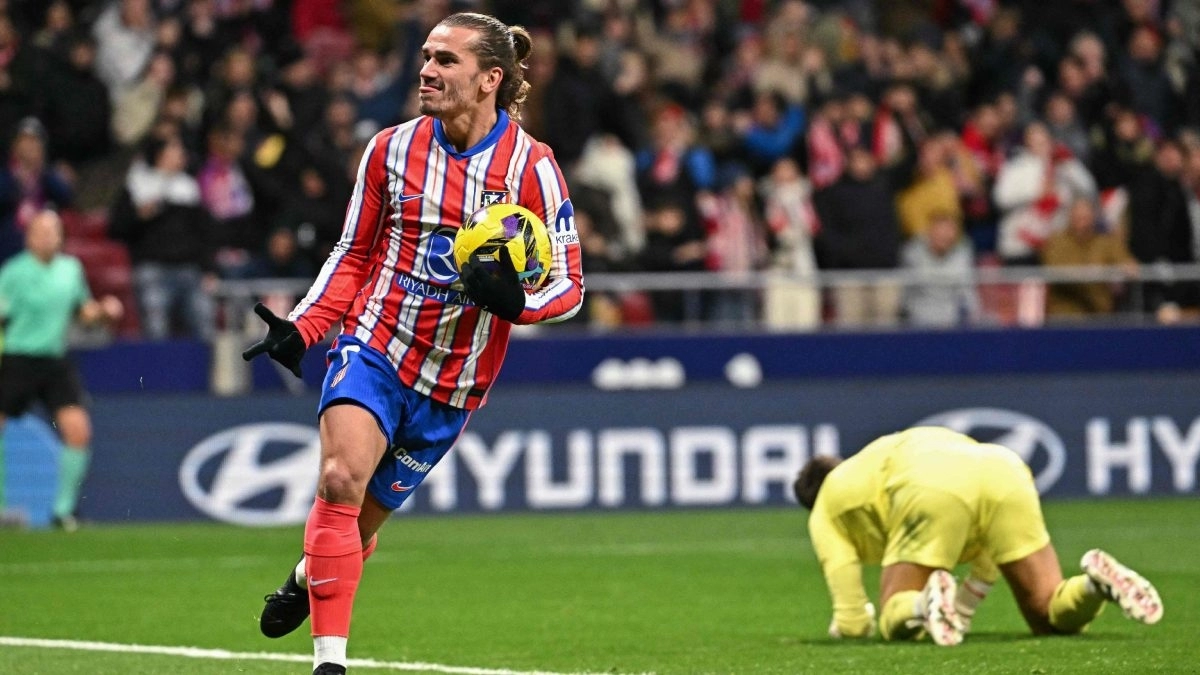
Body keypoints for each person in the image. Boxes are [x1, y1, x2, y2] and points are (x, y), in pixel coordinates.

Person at [241, 13, 583, 675]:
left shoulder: (533, 168)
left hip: (453, 381)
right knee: (339, 479)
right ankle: (330, 663)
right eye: (426, 57)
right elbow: (352, 253)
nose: (426, 70)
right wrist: (305, 326)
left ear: (489, 78)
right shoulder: (390, 150)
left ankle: (310, 571)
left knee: (357, 528)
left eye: (445, 61)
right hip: (375, 344)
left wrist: (519, 303)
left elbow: (569, 284)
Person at [793, 426, 1163, 646]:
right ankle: (1093, 585)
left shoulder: (826, 507)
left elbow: (854, 620)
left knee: (896, 611)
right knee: (1047, 616)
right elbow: (988, 555)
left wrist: (850, 625)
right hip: (1002, 467)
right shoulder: (872, 459)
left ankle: (922, 605)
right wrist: (963, 609)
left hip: (931, 483)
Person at [0, 209, 123, 531]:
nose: (48, 236)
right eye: (41, 231)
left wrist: (104, 312)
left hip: (54, 360)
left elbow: (84, 313)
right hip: (17, 358)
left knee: (78, 432)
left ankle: (62, 512)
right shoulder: (14, 272)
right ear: (29, 237)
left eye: (54, 230)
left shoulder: (71, 269)